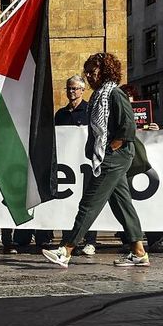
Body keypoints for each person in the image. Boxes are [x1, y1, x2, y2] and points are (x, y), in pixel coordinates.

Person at [42, 52, 149, 269]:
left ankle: (67, 249)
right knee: (122, 205)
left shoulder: (115, 94)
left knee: (89, 203)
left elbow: (128, 127)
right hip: (109, 157)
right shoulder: (100, 95)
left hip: (114, 157)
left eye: (93, 71)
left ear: (105, 70)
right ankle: (139, 252)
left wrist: (110, 149)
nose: (89, 75)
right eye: (87, 72)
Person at [53, 74, 94, 255]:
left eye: (75, 88)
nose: (71, 92)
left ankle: (90, 240)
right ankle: (67, 238)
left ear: (82, 90)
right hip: (67, 166)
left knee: (88, 201)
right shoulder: (60, 114)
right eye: (69, 88)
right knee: (67, 202)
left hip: (85, 165)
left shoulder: (89, 111)